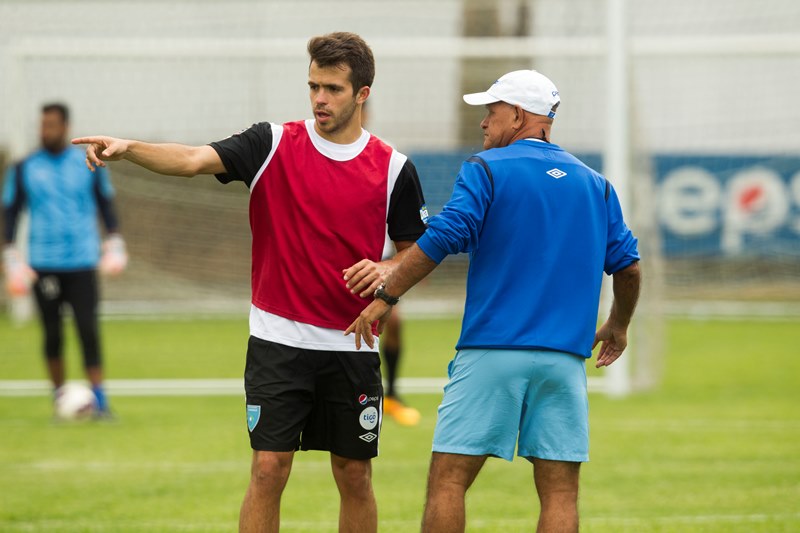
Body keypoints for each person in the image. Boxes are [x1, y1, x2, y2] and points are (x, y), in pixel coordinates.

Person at [73, 32, 428, 533]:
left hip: (352, 345)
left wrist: (389, 274)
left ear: (362, 94)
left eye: (332, 88)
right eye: (313, 86)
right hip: (277, 341)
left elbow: (415, 252)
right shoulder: (272, 142)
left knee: (355, 475)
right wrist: (129, 148)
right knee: (268, 470)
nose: (319, 99)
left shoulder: (394, 169)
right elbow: (194, 160)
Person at [346, 69, 642, 532]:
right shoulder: (596, 185)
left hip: (493, 352)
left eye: (491, 112)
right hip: (565, 361)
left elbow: (444, 234)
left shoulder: (486, 169)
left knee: (449, 481)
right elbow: (629, 267)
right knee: (560, 493)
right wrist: (619, 325)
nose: (484, 123)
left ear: (520, 115)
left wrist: (388, 293)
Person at [2, 102, 126, 419]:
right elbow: (10, 213)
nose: (47, 131)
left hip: (83, 261)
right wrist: (10, 257)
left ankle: (100, 401)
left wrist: (114, 241)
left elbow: (105, 205)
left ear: (66, 128)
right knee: (53, 334)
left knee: (88, 329)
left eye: (53, 125)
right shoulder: (25, 166)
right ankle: (59, 400)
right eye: (43, 125)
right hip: (44, 264)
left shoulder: (88, 162)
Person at [361, 101, 421, 427]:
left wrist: (400, 263)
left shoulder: (385, 160)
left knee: (392, 321)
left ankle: (392, 393)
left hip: (380, 262)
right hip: (341, 263)